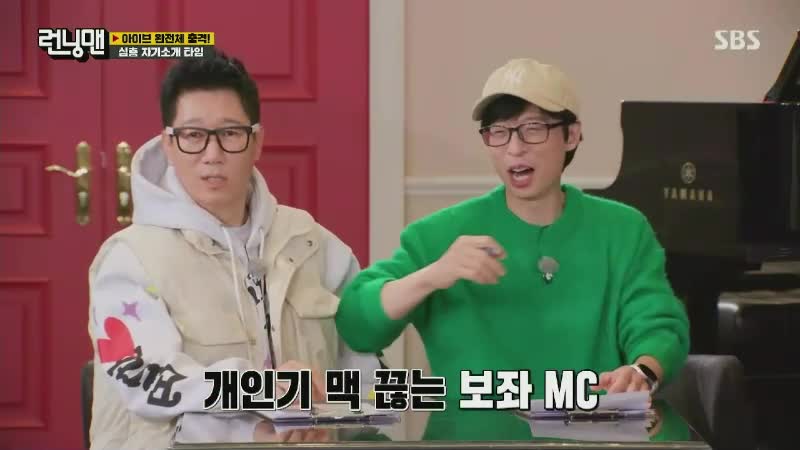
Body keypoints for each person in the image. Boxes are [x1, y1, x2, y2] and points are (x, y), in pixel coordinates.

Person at [335, 58, 690, 400]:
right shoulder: (439, 235)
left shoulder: (623, 229)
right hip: (471, 432)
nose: (514, 149)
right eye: (499, 132)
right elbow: (356, 325)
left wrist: (642, 371)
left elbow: (659, 324)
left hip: (592, 427)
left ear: (571, 135)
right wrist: (433, 275)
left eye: (533, 129)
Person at [87, 50, 378, 449]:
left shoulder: (314, 245)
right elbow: (144, 382)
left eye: (230, 134)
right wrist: (256, 399)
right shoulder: (131, 258)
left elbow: (368, 379)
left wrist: (326, 411)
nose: (212, 155)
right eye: (193, 136)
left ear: (256, 142)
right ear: (168, 144)